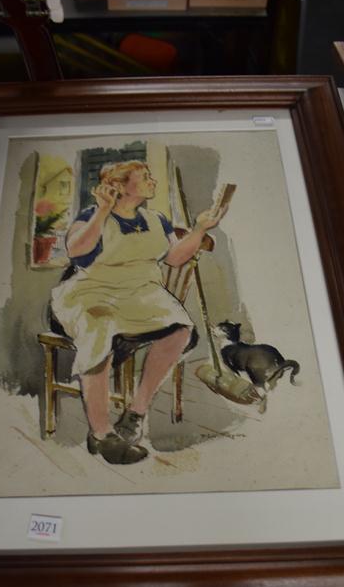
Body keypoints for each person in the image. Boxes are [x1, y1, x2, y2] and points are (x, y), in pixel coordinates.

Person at [51, 160, 226, 464]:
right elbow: (77, 252)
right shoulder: (92, 216)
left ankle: (136, 412)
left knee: (179, 328)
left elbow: (175, 258)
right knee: (98, 328)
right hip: (91, 292)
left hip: (139, 294)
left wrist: (199, 229)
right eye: (144, 177)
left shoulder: (155, 219)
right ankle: (101, 433)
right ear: (119, 186)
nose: (152, 181)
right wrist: (103, 211)